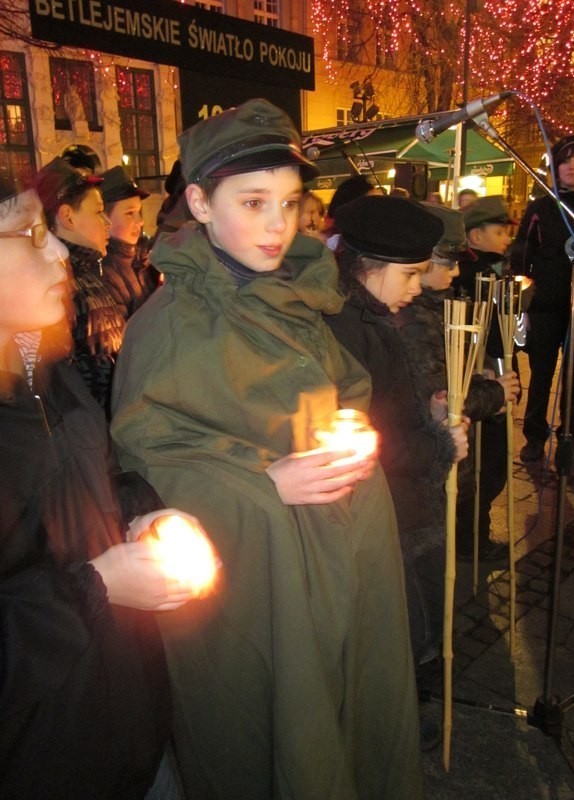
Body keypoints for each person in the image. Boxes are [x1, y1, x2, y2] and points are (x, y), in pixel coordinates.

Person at [111, 98, 424, 800]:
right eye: (253, 203)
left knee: (355, 723)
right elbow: (147, 462)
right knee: (278, 735)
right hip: (260, 580)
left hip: (343, 547)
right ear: (198, 201)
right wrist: (262, 482)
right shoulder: (166, 325)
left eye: (290, 202)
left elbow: (341, 390)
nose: (278, 225)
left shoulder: (299, 295)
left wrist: (353, 433)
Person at [0, 174, 202, 799]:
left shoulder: (41, 366)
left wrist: (148, 517)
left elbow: (102, 476)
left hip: (130, 731)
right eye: (28, 234)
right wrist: (95, 587)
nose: (57, 251)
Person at [324, 195, 469, 749]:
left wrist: (430, 415)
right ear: (371, 267)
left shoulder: (370, 314)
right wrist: (435, 446)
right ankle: (390, 728)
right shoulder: (347, 328)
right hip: (381, 506)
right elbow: (363, 437)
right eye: (409, 274)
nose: (416, 286)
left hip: (401, 500)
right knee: (398, 627)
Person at [511, 135, 574, 462]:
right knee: (542, 371)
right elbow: (522, 251)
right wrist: (524, 290)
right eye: (565, 160)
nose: (572, 166)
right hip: (546, 301)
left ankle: (570, 435)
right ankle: (534, 434)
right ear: (555, 166)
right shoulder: (542, 205)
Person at [452, 196, 521, 559]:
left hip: (493, 376)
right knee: (483, 467)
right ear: (475, 236)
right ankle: (471, 539)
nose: (507, 238)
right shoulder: (471, 277)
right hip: (481, 379)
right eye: (499, 231)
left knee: (491, 466)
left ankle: (474, 535)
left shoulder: (497, 271)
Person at [34, 156, 124, 416]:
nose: (107, 223)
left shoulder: (88, 275)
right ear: (67, 217)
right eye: (98, 212)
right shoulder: (60, 287)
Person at [100, 165, 159, 320]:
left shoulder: (143, 260)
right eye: (129, 213)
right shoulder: (104, 273)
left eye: (138, 212)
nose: (140, 221)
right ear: (104, 218)